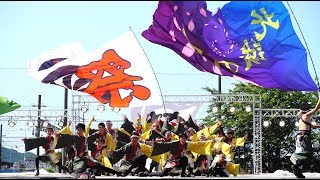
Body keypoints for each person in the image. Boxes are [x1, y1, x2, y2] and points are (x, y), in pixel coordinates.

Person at [290, 96, 320, 178]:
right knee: (307, 154)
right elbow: (316, 108)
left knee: (301, 154)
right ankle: (297, 166)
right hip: (304, 138)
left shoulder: (303, 118)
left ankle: (298, 170)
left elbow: (313, 126)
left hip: (300, 138)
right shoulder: (306, 116)